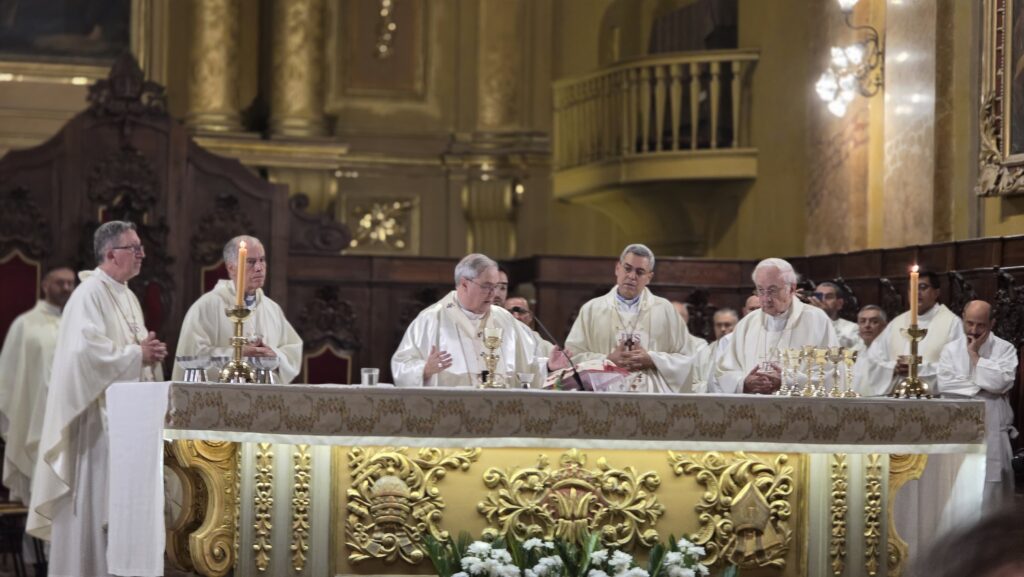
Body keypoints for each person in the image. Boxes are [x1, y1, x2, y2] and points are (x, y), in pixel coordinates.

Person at [27, 221, 168, 577]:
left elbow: (130, 350)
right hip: (95, 428)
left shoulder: (127, 296)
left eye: (140, 247)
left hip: (126, 425)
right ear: (110, 254)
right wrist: (137, 355)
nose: (142, 254)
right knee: (92, 510)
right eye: (134, 248)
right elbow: (84, 355)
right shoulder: (88, 294)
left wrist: (148, 354)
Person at [392, 254, 568, 387]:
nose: (493, 294)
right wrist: (424, 370)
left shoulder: (504, 319)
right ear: (464, 284)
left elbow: (527, 363)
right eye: (486, 286)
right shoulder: (431, 320)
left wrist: (548, 365)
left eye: (496, 287)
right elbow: (401, 365)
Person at [565, 244, 696, 393]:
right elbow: (572, 357)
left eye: (640, 272)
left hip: (650, 396)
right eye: (627, 269)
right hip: (603, 394)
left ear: (649, 277)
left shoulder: (665, 310)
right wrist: (607, 360)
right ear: (617, 269)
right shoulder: (591, 309)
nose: (632, 276)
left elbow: (687, 359)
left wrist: (653, 360)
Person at [173, 235, 303, 383]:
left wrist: (274, 355)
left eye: (262, 260)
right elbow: (192, 357)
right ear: (231, 268)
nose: (259, 268)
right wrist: (237, 355)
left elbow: (292, 349)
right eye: (251, 262)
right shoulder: (206, 306)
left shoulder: (272, 308)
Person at [0, 267, 75, 505]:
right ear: (45, 285)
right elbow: (8, 378)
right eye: (60, 283)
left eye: (70, 283)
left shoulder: (75, 325)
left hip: (68, 415)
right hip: (35, 415)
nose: (66, 288)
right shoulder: (25, 325)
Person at [937, 300, 1018, 510]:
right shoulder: (950, 350)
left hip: (993, 430)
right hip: (958, 427)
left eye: (980, 325)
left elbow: (1001, 383)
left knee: (992, 497)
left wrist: (975, 356)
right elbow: (945, 384)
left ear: (992, 323)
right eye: (970, 323)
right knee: (958, 492)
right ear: (963, 319)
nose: (973, 330)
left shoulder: (1005, 349)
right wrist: (983, 386)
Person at [713, 258, 837, 394]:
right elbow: (725, 370)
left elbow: (830, 373)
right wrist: (744, 382)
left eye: (772, 290)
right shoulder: (747, 323)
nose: (766, 299)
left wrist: (788, 381)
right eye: (761, 290)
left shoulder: (816, 320)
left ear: (791, 288)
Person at [856, 270, 962, 397]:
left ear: (936, 293)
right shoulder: (897, 323)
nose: (917, 292)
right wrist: (894, 368)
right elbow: (874, 359)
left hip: (933, 398)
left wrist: (919, 370)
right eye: (912, 288)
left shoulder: (952, 323)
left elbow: (958, 365)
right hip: (898, 397)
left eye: (923, 287)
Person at [692, 308, 740, 393]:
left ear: (737, 326)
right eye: (718, 325)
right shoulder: (705, 351)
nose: (722, 329)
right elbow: (694, 383)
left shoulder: (742, 350)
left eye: (727, 325)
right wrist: (713, 386)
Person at [810, 281, 862, 350]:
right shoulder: (805, 325)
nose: (823, 300)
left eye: (828, 297)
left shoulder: (852, 329)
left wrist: (822, 315)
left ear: (839, 304)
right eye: (819, 296)